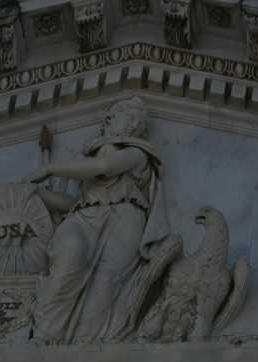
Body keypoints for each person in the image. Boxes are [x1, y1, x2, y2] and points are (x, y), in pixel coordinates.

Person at [26, 97, 173, 344]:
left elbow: (105, 166)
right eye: (128, 116)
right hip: (85, 216)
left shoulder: (137, 153)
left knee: (106, 285)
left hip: (124, 219)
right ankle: (45, 335)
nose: (135, 124)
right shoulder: (90, 161)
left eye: (139, 121)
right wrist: (37, 193)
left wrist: (51, 169)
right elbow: (75, 204)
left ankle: (85, 345)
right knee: (67, 261)